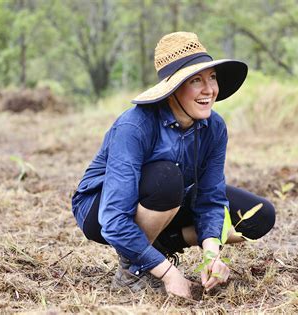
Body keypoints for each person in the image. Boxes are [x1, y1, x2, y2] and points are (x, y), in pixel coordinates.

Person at [71, 32, 275, 298]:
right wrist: (169, 274)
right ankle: (132, 269)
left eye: (212, 77)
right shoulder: (135, 126)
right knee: (166, 177)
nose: (209, 90)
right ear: (172, 90)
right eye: (195, 80)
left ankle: (159, 247)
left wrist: (210, 256)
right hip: (102, 210)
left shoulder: (214, 127)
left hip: (169, 200)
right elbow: (112, 218)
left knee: (259, 215)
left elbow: (211, 198)